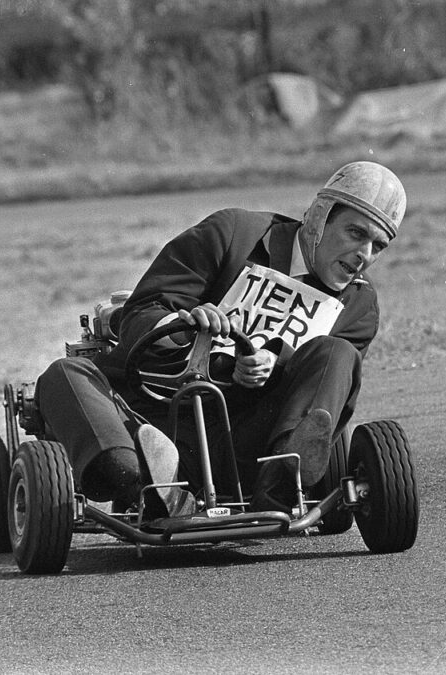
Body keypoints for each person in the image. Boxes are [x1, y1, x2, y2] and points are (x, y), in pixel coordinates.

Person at [35, 161, 406, 516]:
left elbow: (325, 387)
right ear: (319, 218)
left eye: (378, 246)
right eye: (356, 234)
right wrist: (182, 326)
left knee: (337, 354)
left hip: (246, 441)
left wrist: (273, 365)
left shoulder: (359, 305)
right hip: (157, 410)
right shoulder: (234, 234)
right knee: (65, 374)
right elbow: (141, 311)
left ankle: (282, 482)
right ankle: (140, 478)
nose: (364, 255)